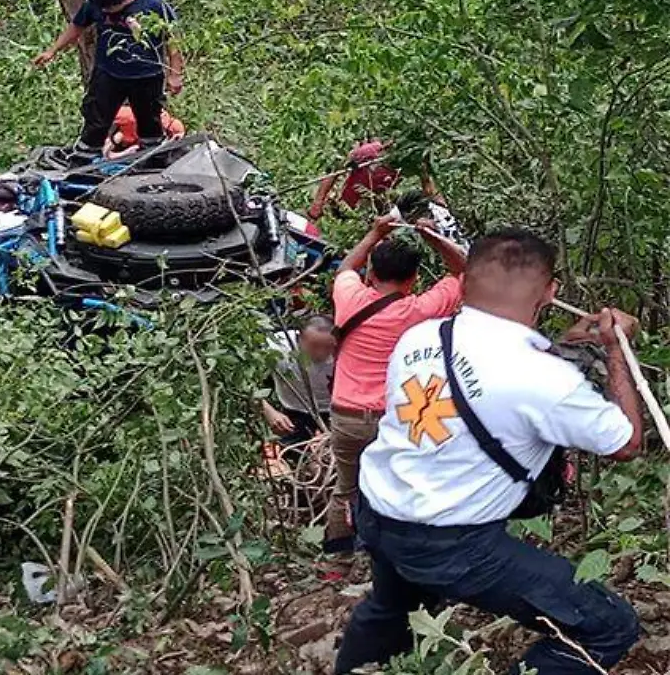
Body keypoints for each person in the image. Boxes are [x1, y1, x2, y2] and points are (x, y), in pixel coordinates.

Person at [334, 230, 643, 675]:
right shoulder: (543, 378)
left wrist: (564, 347)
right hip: (452, 544)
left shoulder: (418, 336)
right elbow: (626, 442)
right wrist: (616, 350)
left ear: (462, 283)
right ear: (551, 292)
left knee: (390, 607)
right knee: (608, 625)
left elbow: (493, 379)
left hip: (379, 516)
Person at [323, 215, 467, 553]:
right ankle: (396, 558)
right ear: (414, 278)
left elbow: (345, 267)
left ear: (371, 275)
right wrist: (434, 238)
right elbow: (464, 273)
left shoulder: (350, 299)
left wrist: (375, 232)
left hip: (348, 416)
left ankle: (337, 561)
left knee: (347, 488)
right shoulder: (420, 310)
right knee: (404, 486)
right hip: (398, 419)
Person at [31, 0, 185, 155]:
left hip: (146, 74)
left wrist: (175, 74)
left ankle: (152, 158)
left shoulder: (153, 5)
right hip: (108, 72)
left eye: (109, 9)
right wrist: (52, 51)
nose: (104, 12)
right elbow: (77, 26)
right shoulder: (95, 3)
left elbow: (174, 40)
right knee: (96, 119)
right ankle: (85, 157)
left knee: (149, 122)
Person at [307, 139, 447, 222]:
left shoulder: (408, 165)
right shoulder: (368, 153)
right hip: (343, 205)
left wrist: (444, 210)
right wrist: (318, 201)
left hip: (370, 211)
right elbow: (334, 172)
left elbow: (429, 188)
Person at [264, 317, 337, 446]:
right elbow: (244, 382)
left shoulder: (347, 349)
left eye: (328, 347)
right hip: (293, 411)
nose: (321, 353)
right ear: (299, 339)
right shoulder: (277, 346)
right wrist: (268, 410)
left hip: (336, 412)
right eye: (314, 346)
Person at [103, 102, 188, 158]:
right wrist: (125, 153)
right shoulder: (128, 116)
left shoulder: (174, 125)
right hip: (117, 147)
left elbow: (180, 135)